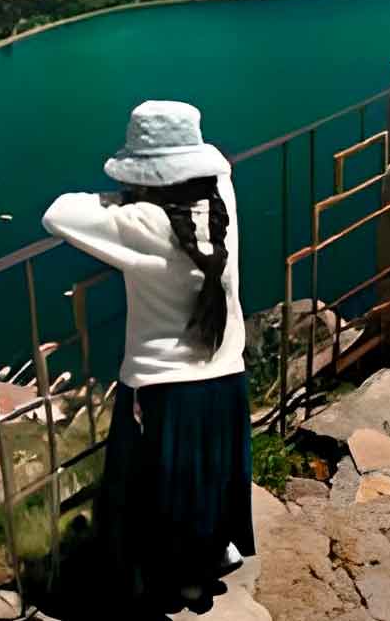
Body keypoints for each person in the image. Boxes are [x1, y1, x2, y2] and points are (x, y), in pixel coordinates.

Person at [41, 100, 254, 613]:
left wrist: (120, 196)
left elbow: (58, 212)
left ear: (145, 174)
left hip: (162, 390)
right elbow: (220, 164)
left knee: (153, 489)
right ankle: (211, 553)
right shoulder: (221, 200)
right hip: (226, 377)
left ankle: (166, 578)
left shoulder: (140, 221)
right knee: (209, 472)